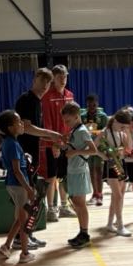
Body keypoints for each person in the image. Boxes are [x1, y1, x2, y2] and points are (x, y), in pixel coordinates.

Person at [14, 68, 64, 248]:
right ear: (34, 79)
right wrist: (51, 133)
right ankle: (20, 238)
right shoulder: (27, 100)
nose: (45, 85)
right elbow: (27, 128)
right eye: (42, 81)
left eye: (48, 82)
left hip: (32, 156)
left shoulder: (38, 102)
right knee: (25, 199)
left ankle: (27, 234)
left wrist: (53, 140)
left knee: (31, 199)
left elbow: (37, 132)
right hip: (23, 156)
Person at [0, 110, 37, 264]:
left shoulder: (8, 142)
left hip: (12, 184)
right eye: (18, 122)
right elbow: (17, 170)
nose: (22, 124)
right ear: (10, 127)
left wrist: (24, 157)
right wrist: (28, 189)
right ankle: (24, 254)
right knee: (24, 221)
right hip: (19, 186)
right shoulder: (13, 144)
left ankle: (6, 245)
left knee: (20, 218)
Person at [60, 101, 97, 249]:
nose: (66, 124)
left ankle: (85, 234)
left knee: (80, 204)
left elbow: (93, 150)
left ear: (76, 116)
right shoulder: (75, 130)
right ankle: (82, 232)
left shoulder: (81, 131)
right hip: (73, 171)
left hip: (80, 171)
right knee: (77, 204)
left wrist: (76, 152)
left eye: (68, 121)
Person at [41, 65, 75, 221]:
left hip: (67, 143)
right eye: (60, 77)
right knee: (51, 177)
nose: (63, 79)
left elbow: (73, 120)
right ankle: (51, 209)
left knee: (64, 176)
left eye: (65, 76)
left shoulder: (70, 95)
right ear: (53, 78)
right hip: (52, 144)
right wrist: (54, 143)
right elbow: (47, 123)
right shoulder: (47, 97)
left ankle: (64, 206)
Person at [98, 109, 132, 237]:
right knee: (118, 196)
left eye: (125, 127)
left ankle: (110, 223)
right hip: (111, 165)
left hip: (121, 163)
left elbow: (128, 148)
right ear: (115, 121)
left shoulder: (122, 132)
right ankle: (120, 225)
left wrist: (127, 131)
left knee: (117, 196)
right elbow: (93, 147)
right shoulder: (105, 132)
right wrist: (104, 156)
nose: (123, 129)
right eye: (122, 126)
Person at [81, 94, 109, 206]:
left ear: (97, 104)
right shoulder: (83, 116)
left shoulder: (103, 116)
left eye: (93, 105)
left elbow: (105, 132)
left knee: (99, 170)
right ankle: (94, 194)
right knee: (91, 170)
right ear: (86, 105)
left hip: (99, 147)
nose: (91, 107)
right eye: (89, 105)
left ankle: (100, 195)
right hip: (87, 147)